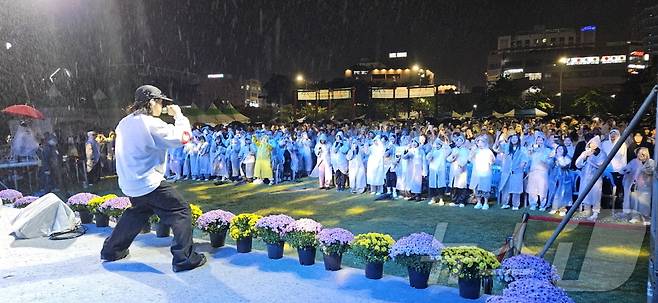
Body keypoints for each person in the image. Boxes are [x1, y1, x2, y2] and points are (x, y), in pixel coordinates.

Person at [101, 85, 206, 272]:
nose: (161, 106)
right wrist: (179, 116)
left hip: (129, 181)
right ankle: (184, 258)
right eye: (160, 102)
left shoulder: (124, 122)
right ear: (151, 102)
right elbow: (183, 137)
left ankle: (112, 250)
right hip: (148, 181)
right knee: (181, 211)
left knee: (138, 212)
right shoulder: (151, 123)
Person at [575, 136, 607, 221]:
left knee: (595, 194)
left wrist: (590, 159)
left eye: (594, 143)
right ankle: (586, 211)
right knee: (585, 193)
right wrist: (585, 157)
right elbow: (577, 164)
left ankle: (595, 212)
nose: (592, 145)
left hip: (596, 178)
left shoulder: (602, 154)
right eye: (591, 143)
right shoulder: (585, 152)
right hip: (585, 177)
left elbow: (601, 165)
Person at [621, 147, 655, 225]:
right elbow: (626, 168)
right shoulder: (634, 161)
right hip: (634, 185)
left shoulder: (650, 162)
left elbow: (651, 171)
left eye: (643, 153)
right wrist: (626, 170)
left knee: (644, 203)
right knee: (634, 201)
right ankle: (635, 217)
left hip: (646, 186)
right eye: (639, 153)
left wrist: (644, 166)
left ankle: (645, 218)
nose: (640, 155)